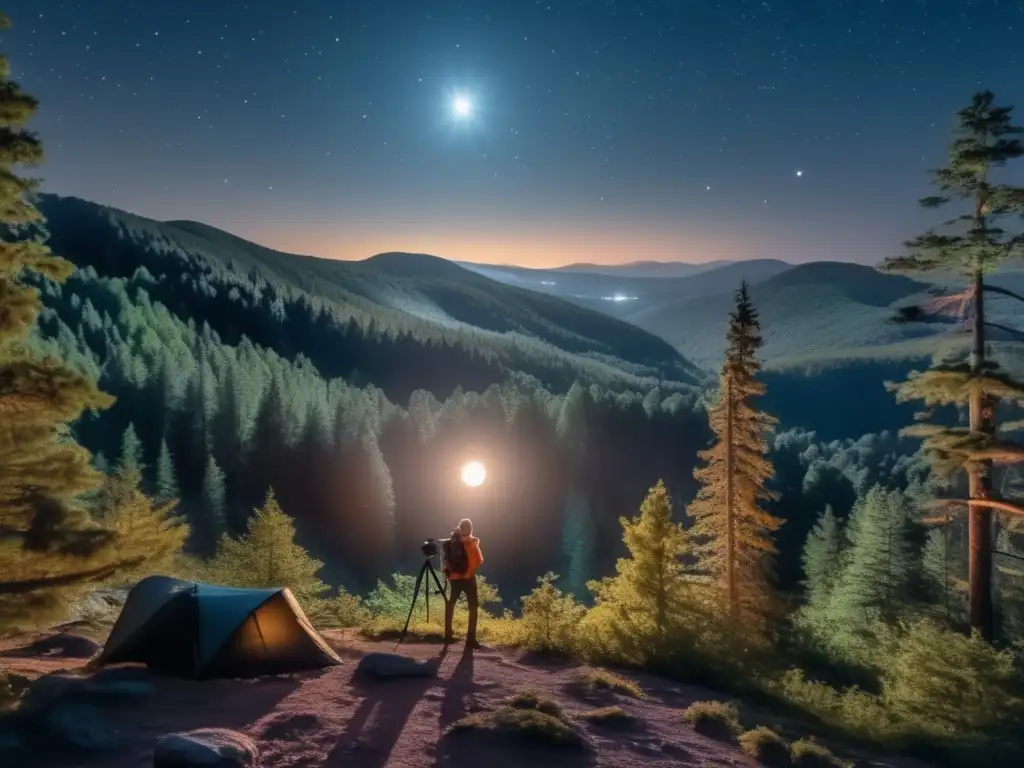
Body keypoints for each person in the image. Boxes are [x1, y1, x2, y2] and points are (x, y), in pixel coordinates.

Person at [443, 517, 484, 649]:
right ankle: (470, 639)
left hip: (454, 579)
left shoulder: (451, 542)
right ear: (470, 529)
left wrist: (449, 575)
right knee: (473, 607)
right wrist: (468, 573)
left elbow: (445, 561)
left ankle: (448, 635)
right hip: (467, 579)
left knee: (451, 603)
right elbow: (479, 560)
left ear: (460, 528)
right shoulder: (470, 542)